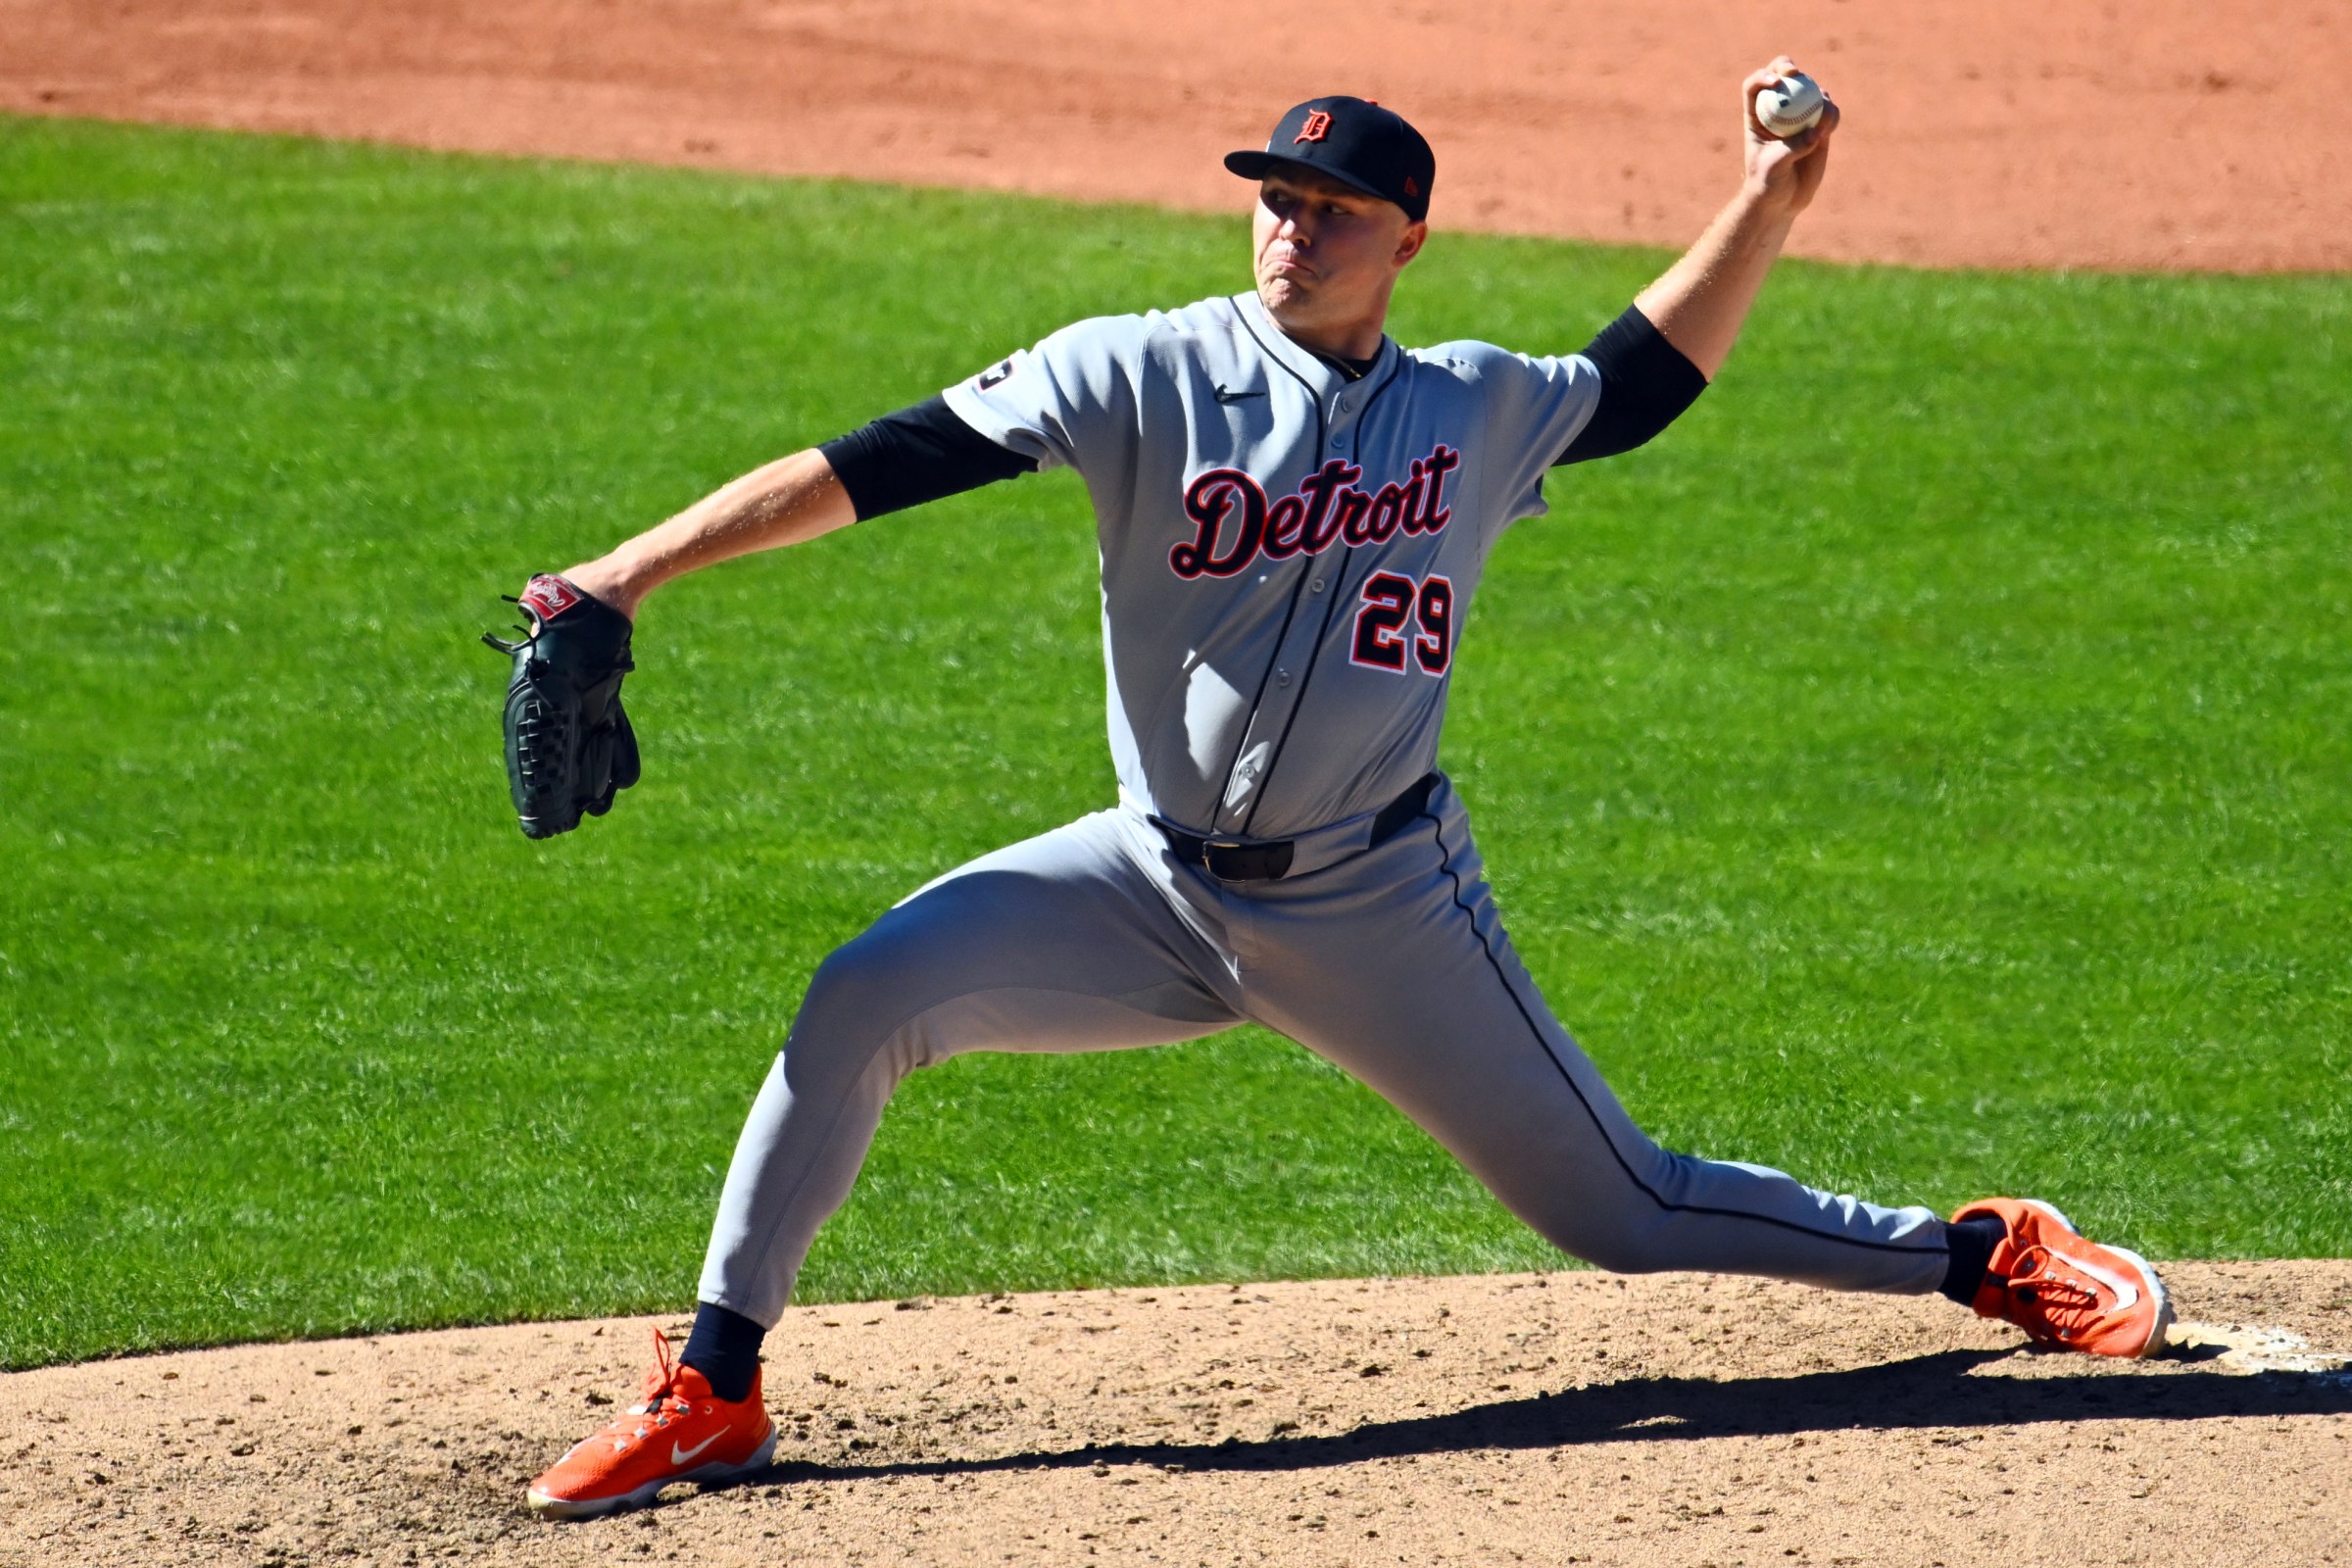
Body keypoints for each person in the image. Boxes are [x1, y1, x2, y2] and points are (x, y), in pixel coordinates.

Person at [514, 64, 2172, 1519]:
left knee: (1624, 1208)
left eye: (1331, 206)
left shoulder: (1471, 407)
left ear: (1407, 237)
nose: (1290, 227)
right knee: (867, 990)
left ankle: (1984, 1254)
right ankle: (718, 1385)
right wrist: (631, 574)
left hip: (1378, 905)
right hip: (1148, 886)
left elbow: (1640, 382)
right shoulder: (1136, 370)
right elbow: (885, 461)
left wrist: (1767, 196)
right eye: (1275, 197)